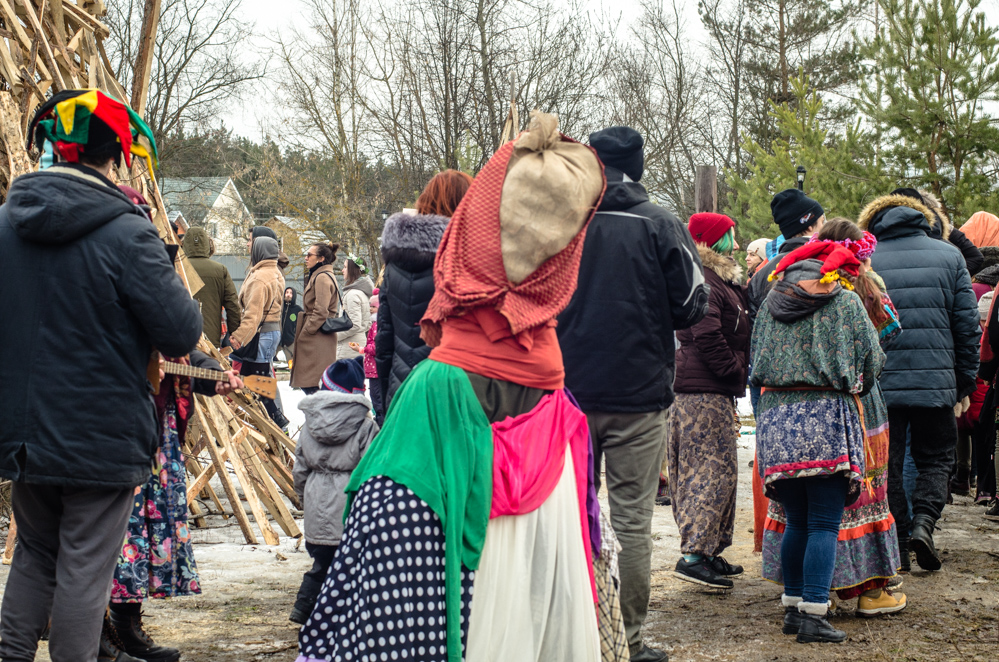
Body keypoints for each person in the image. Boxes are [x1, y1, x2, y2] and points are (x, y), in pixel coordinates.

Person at [298, 112, 608, 662]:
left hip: (435, 402)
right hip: (527, 400)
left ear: (469, 234)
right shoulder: (553, 376)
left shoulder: (432, 295)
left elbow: (381, 551)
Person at [0, 89, 203, 662]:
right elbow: (181, 332)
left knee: (35, 554)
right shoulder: (128, 232)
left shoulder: (7, 224)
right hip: (101, 435)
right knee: (85, 565)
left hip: (23, 432)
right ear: (114, 156)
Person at [558, 125, 708, 662]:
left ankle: (573, 635)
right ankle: (628, 642)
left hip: (568, 395)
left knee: (568, 518)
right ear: (637, 165)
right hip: (639, 395)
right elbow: (692, 305)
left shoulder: (563, 221)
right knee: (631, 523)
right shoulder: (660, 222)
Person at [761, 219, 907, 618]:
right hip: (829, 417)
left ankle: (793, 606)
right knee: (825, 522)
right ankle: (814, 611)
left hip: (777, 419)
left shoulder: (772, 299)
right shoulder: (846, 301)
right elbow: (872, 360)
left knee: (796, 520)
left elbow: (756, 357)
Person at [858, 191, 979, 571]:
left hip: (882, 383)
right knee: (938, 458)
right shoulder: (950, 256)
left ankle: (897, 540)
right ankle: (924, 522)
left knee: (887, 465)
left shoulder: (867, 261)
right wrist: (964, 380)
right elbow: (967, 326)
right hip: (936, 380)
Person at [107, 351, 241, 662]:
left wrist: (214, 374)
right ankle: (98, 633)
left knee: (146, 533)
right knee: (117, 533)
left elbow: (184, 351)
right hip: (120, 430)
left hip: (158, 434)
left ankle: (126, 625)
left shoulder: (167, 336)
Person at [668, 213, 750, 590]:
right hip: (699, 392)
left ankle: (710, 548)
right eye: (731, 236)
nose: (737, 244)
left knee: (722, 471)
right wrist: (734, 370)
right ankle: (693, 555)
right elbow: (706, 333)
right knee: (706, 471)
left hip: (712, 390)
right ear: (715, 240)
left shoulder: (717, 279)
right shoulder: (702, 279)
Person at [289, 360, 378, 625]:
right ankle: (338, 616)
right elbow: (370, 470)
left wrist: (304, 499)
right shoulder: (365, 427)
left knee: (321, 563)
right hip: (348, 506)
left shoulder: (309, 425)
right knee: (350, 566)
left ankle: (306, 608)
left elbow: (300, 469)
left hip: (316, 501)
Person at [376, 170, 471, 412]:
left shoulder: (394, 264)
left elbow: (384, 339)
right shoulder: (468, 261)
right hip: (456, 392)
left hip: (404, 391)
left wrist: (387, 403)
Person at [231, 235, 288, 428]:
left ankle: (276, 422)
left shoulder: (260, 277)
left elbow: (253, 315)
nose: (248, 247)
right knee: (258, 378)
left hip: (261, 333)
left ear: (259, 251)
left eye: (252, 245)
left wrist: (238, 336)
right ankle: (270, 422)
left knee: (258, 381)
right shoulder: (275, 272)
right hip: (271, 332)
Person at [747, 189, 826, 322]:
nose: (825, 228)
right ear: (808, 225)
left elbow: (754, 324)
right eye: (822, 222)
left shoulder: (760, 274)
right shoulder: (827, 262)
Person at [290, 242, 340, 394]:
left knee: (312, 383)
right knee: (311, 383)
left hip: (317, 336)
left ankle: (321, 409)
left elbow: (321, 311)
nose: (305, 258)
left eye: (309, 255)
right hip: (318, 335)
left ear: (321, 258)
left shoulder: (322, 277)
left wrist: (307, 332)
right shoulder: (320, 275)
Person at [182, 226, 241, 347]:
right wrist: (234, 333)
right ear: (207, 245)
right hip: (210, 339)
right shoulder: (220, 270)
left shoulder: (176, 268)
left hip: (182, 335)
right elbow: (233, 305)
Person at [350, 292, 382, 423]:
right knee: (375, 396)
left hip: (376, 369)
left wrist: (362, 349)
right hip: (373, 369)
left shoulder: (377, 325)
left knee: (377, 398)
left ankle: (381, 423)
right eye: (370, 306)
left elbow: (377, 347)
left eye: (373, 306)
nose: (370, 309)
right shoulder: (375, 324)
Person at [336, 254, 374, 360]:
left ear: (352, 270)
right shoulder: (362, 293)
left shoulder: (353, 294)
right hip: (357, 344)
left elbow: (354, 324)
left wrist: (335, 336)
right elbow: (367, 323)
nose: (342, 270)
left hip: (349, 349)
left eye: (345, 267)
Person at [278, 287, 302, 366]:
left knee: (292, 365)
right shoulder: (279, 308)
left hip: (290, 342)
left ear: (294, 295)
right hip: (277, 342)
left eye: (291, 293)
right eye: (287, 292)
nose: (288, 295)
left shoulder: (298, 310)